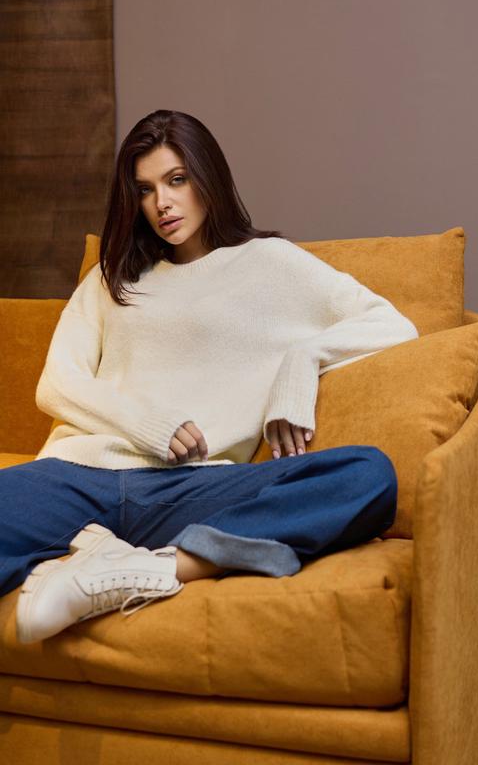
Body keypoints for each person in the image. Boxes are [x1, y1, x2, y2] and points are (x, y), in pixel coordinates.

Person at [1, 109, 418, 645]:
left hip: (191, 488)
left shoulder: (273, 264)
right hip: (79, 476)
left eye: (177, 180)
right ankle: (90, 550)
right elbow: (58, 383)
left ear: (208, 177)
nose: (162, 202)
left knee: (367, 475)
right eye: (145, 189)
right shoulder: (112, 277)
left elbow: (393, 324)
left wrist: (303, 359)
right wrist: (149, 424)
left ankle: (148, 569)